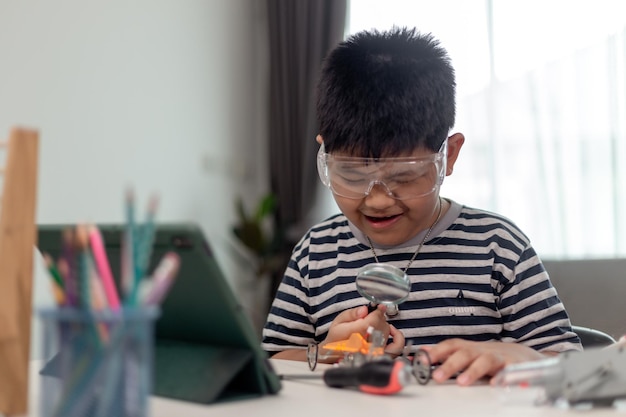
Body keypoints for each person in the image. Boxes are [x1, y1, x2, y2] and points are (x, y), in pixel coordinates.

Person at [261, 27, 582, 386]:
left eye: (403, 177)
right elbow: (274, 358)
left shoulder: (497, 246)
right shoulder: (316, 252)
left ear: (449, 155)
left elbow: (569, 363)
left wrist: (517, 356)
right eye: (351, 175)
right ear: (325, 155)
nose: (378, 200)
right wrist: (327, 353)